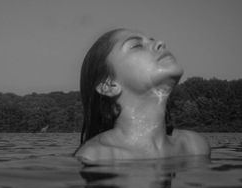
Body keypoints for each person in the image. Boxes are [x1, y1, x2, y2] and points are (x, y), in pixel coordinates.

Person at [74, 28, 210, 162]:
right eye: (137, 45)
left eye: (152, 40)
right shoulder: (96, 156)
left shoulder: (195, 147)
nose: (160, 43)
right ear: (109, 85)